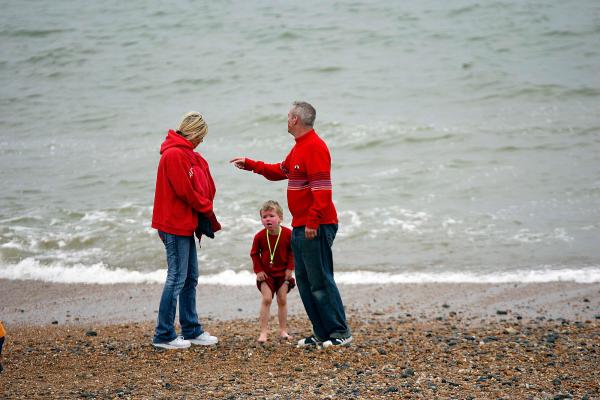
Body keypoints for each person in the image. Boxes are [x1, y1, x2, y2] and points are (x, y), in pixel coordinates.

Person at [231, 101, 352, 348]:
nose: (286, 120)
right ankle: (321, 333)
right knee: (306, 283)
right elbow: (280, 170)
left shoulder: (315, 147)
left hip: (315, 225)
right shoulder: (298, 148)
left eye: (288, 116)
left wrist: (313, 221)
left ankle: (340, 332)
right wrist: (252, 165)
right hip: (301, 225)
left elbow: (323, 190)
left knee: (321, 280)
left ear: (296, 119)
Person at [151, 111, 221, 349]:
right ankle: (164, 334)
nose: (202, 141)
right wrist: (207, 208)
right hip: (173, 224)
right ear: (194, 132)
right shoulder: (172, 155)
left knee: (190, 277)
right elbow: (185, 191)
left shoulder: (188, 154)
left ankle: (191, 329)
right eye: (201, 136)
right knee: (176, 278)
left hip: (186, 224)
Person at [251, 200, 296, 343]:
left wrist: (290, 268)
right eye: (264, 217)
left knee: (282, 299)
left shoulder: (288, 234)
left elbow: (292, 251)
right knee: (267, 299)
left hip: (283, 273)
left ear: (280, 218)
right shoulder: (259, 236)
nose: (268, 219)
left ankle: (283, 330)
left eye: (271, 215)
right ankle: (263, 332)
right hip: (266, 274)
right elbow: (254, 254)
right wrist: (258, 271)